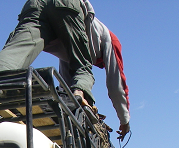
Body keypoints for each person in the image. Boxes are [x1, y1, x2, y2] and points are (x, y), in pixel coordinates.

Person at [0, 0, 94, 106]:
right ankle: (80, 94)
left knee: (16, 50)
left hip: (35, 4)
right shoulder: (97, 32)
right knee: (82, 65)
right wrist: (78, 89)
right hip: (66, 4)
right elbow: (78, 60)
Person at [56, 6, 130, 140]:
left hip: (54, 17)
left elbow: (65, 78)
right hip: (74, 12)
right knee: (83, 79)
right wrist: (124, 120)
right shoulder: (111, 40)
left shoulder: (76, 49)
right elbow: (116, 85)